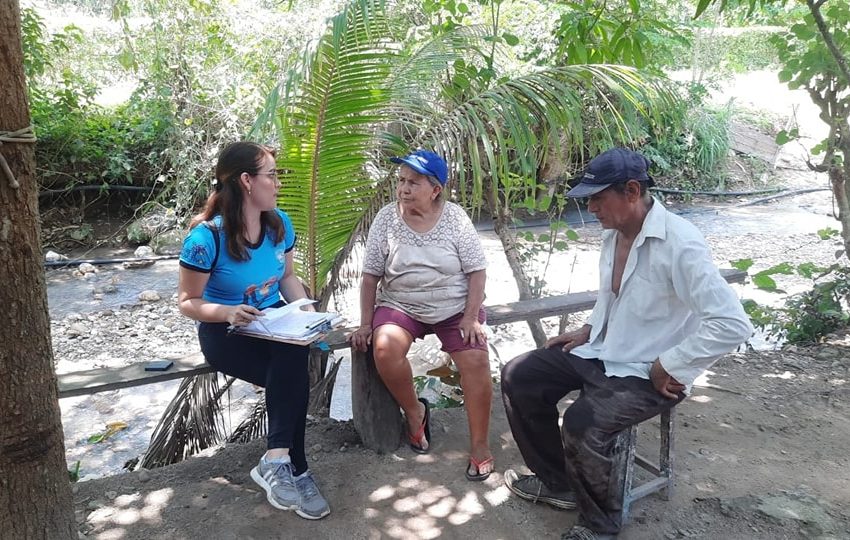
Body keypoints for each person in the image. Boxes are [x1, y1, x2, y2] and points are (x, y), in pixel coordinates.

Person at [500, 147, 753, 539]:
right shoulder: (614, 234)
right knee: (521, 375)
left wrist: (672, 362)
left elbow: (732, 323)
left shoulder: (680, 244)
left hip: (648, 371)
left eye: (598, 198)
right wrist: (588, 328)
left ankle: (600, 527)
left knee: (582, 424)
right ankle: (562, 484)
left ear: (632, 191)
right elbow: (613, 296)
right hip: (604, 349)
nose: (592, 208)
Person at [177, 141, 330, 520]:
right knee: (290, 375)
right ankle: (296, 469)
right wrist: (228, 312)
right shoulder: (205, 239)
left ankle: (280, 462)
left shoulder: (280, 224)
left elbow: (289, 278)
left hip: (274, 322)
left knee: (290, 360)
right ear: (246, 181)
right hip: (226, 331)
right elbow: (187, 303)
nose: (277, 183)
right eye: (272, 175)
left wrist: (309, 314)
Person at [348, 149, 495, 481]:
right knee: (384, 348)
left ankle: (481, 446)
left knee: (475, 360)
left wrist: (471, 317)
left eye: (413, 182)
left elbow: (477, 272)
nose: (404, 189)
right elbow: (370, 276)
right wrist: (365, 324)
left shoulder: (455, 218)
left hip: (454, 305)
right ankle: (415, 412)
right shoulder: (386, 218)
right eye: (401, 181)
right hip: (402, 303)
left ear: (435, 189)